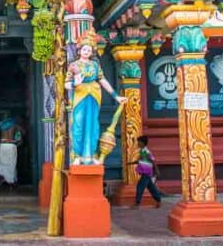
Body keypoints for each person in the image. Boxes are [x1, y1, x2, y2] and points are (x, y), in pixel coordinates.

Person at [66, 30, 126, 165]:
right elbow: (67, 84)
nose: (86, 51)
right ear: (79, 51)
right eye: (84, 49)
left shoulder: (95, 65)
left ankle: (91, 154)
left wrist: (116, 96)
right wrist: (76, 83)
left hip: (93, 95)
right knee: (78, 124)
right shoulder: (74, 66)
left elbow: (103, 80)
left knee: (92, 124)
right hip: (80, 95)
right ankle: (77, 155)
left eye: (89, 49)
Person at [132, 135, 162, 208]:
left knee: (140, 186)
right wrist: (132, 163)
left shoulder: (146, 151)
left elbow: (152, 160)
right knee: (151, 188)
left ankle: (137, 203)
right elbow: (141, 160)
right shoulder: (142, 151)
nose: (138, 143)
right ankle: (158, 200)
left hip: (146, 172)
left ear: (142, 143)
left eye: (138, 142)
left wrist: (157, 170)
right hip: (145, 172)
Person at [0, 115, 23, 187]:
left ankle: (2, 179)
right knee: (11, 164)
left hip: (3, 145)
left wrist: (1, 138)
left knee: (2, 163)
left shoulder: (0, 125)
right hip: (11, 145)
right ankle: (11, 181)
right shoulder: (15, 125)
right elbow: (20, 136)